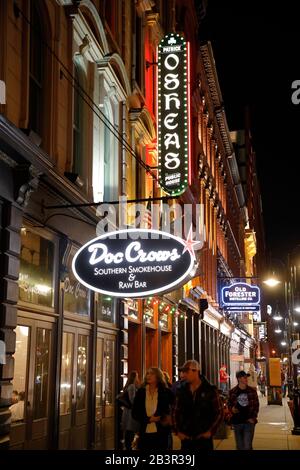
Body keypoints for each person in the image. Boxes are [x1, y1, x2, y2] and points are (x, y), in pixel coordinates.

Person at [174, 360, 223, 450]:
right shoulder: (181, 390)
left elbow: (219, 412)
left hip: (204, 438)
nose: (183, 375)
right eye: (182, 372)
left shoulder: (210, 390)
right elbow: (176, 412)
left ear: (195, 371)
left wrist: (210, 431)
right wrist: (178, 431)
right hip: (186, 438)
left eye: (186, 372)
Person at [132, 367, 173, 451]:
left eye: (152, 374)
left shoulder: (165, 392)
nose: (148, 376)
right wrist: (148, 419)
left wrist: (163, 418)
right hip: (144, 433)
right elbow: (134, 413)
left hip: (161, 433)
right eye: (147, 373)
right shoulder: (141, 392)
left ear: (158, 376)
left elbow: (175, 407)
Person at [228, 371, 259, 450]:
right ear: (239, 379)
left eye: (246, 377)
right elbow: (229, 404)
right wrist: (232, 409)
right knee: (240, 446)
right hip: (237, 422)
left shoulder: (252, 391)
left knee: (247, 446)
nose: (246, 379)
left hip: (249, 422)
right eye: (244, 377)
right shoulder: (232, 392)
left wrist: (253, 418)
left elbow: (256, 405)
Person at [121, 370, 140, 450]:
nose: (138, 378)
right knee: (130, 431)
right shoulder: (132, 386)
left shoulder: (128, 386)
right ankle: (128, 448)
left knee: (128, 432)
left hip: (127, 412)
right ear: (134, 377)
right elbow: (132, 400)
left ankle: (127, 447)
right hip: (130, 413)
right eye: (137, 376)